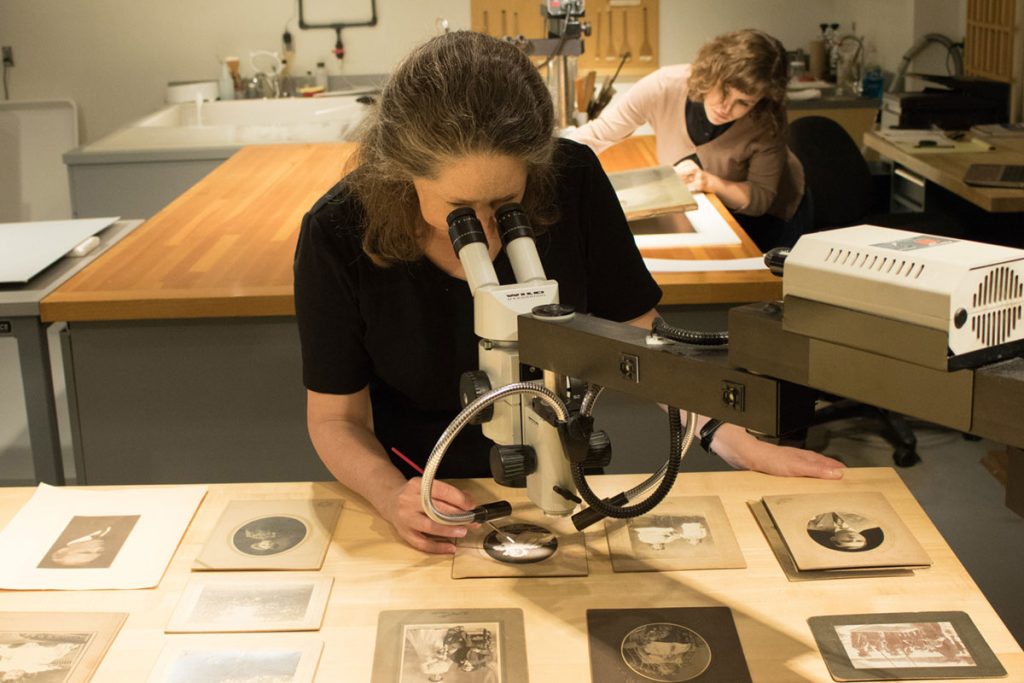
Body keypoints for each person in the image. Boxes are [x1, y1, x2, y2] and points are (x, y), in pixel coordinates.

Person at [293, 31, 844, 555]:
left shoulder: (573, 177)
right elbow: (335, 420)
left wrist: (721, 431)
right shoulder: (338, 230)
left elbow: (638, 334)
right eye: (459, 212)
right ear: (401, 174)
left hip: (564, 473)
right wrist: (392, 496)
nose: (485, 235)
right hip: (426, 486)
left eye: (505, 203)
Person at [569, 28, 812, 251]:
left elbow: (759, 198)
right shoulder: (665, 85)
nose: (726, 107)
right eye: (724, 91)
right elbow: (600, 133)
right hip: (714, 209)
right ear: (711, 72)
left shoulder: (767, 119)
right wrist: (546, 158)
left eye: (744, 103)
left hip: (773, 216)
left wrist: (710, 182)